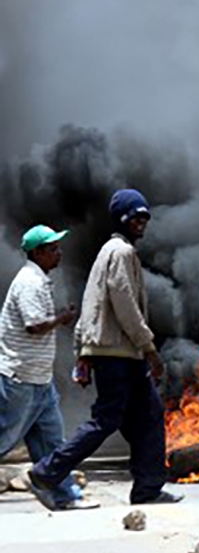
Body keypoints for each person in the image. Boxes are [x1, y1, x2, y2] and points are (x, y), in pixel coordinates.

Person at [29, 189, 182, 507]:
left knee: (149, 416)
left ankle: (147, 488)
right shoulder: (121, 253)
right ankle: (47, 472)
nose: (142, 222)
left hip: (116, 354)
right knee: (107, 420)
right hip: (120, 355)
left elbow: (90, 303)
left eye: (145, 217)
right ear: (123, 219)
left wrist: (82, 354)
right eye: (136, 216)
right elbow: (123, 304)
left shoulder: (108, 252)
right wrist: (149, 348)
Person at [0, 225, 97, 510]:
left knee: (53, 446)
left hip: (39, 381)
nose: (59, 252)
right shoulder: (29, 282)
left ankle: (64, 496)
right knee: (3, 439)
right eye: (53, 248)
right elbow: (33, 325)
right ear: (37, 252)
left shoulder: (39, 279)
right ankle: (63, 494)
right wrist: (61, 318)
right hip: (21, 380)